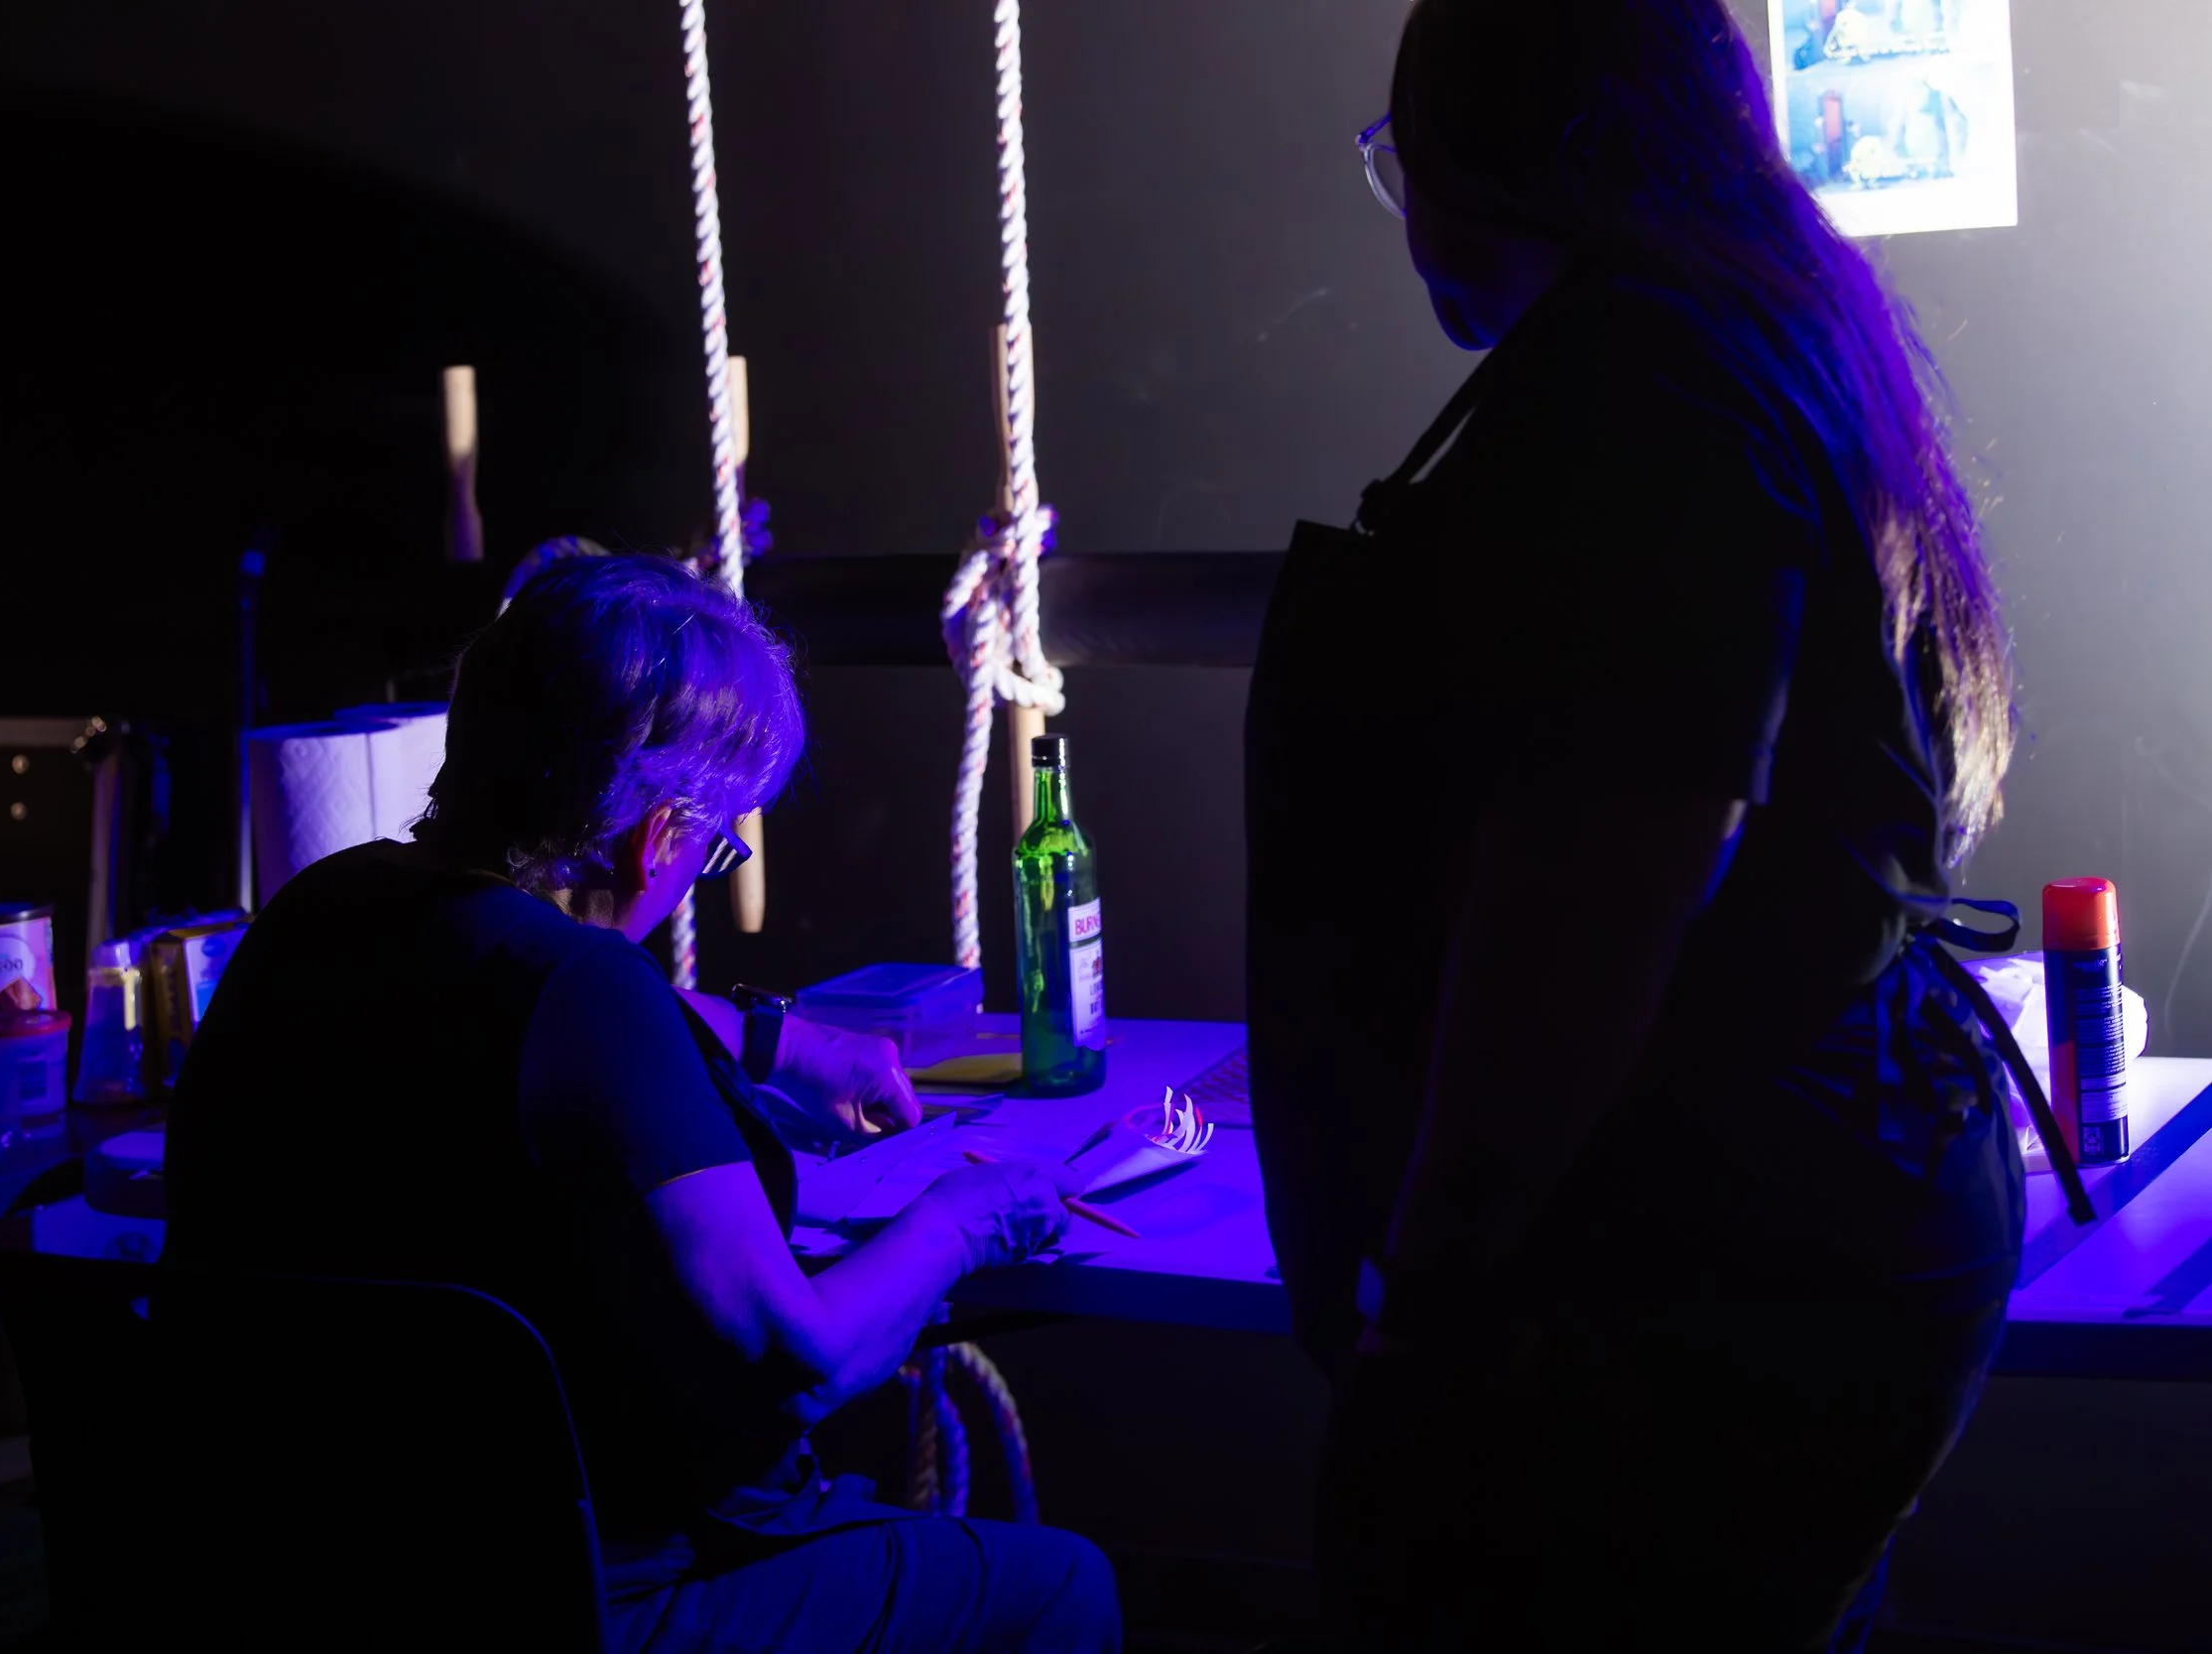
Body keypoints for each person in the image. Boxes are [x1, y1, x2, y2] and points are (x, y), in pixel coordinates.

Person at [1247, 2, 2037, 1647]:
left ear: (1505, 157)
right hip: (1811, 1201)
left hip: (1719, 1251)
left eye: (1410, 164)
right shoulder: (1762, 334)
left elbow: (1609, 874)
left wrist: (1429, 1292)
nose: (1414, 230)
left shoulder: (1643, 376)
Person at [166, 554, 1118, 1654]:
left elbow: (518, 991)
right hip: (585, 1600)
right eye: (712, 848)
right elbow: (793, 1361)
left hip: (314, 1577)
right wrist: (968, 1215)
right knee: (1062, 1587)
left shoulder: (313, 914)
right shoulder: (581, 992)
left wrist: (778, 1036)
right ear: (656, 833)